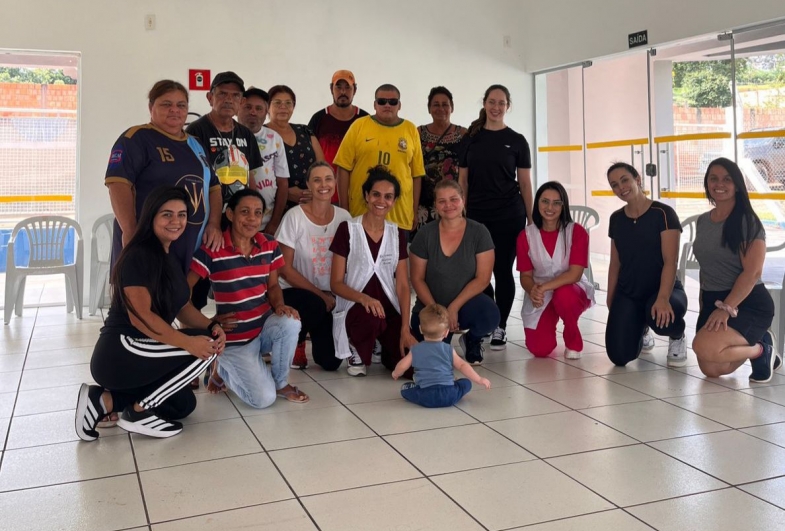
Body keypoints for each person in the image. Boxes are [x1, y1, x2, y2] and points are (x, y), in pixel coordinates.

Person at [76, 187, 225, 441]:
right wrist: (189, 342)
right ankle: (138, 413)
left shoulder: (168, 256)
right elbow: (140, 316)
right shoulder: (139, 255)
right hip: (121, 352)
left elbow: (182, 307)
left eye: (181, 214)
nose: (175, 221)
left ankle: (103, 401)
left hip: (145, 349)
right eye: (167, 215)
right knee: (204, 349)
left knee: (182, 405)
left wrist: (213, 325)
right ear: (151, 217)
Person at [188, 188, 308, 406]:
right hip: (234, 340)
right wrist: (209, 324)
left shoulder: (269, 244)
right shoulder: (214, 247)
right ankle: (221, 367)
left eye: (258, 213)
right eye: (245, 212)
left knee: (291, 322)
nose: (252, 219)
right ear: (230, 214)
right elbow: (185, 290)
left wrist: (280, 305)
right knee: (263, 399)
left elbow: (273, 286)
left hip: (262, 328)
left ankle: (280, 382)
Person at [105, 79, 222, 272]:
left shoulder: (196, 144)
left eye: (181, 105)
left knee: (184, 298)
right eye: (166, 104)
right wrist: (130, 232)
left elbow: (214, 187)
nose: (175, 110)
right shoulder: (136, 138)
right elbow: (118, 184)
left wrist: (214, 224)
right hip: (147, 243)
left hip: (192, 244)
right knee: (143, 298)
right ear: (151, 107)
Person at [692, 158, 780, 382]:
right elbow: (707, 267)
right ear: (707, 183)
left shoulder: (747, 221)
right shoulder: (703, 221)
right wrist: (705, 306)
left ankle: (761, 348)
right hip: (713, 299)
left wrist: (726, 308)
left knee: (702, 346)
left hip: (747, 302)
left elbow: (752, 273)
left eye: (727, 179)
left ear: (737, 185)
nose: (719, 184)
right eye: (713, 178)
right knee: (710, 368)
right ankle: (759, 347)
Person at [459, 84, 533, 350]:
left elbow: (525, 184)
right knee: (477, 273)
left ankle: (500, 326)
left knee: (502, 270)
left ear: (508, 106)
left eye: (501, 103)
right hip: (476, 216)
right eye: (492, 101)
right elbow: (463, 181)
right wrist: (461, 212)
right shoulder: (471, 138)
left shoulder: (517, 140)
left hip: (509, 215)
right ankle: (488, 316)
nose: (496, 107)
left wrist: (531, 219)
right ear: (485, 103)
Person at [185, 71, 263, 309]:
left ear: (241, 102)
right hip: (205, 222)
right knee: (197, 282)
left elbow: (251, 180)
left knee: (235, 283)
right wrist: (212, 223)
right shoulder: (196, 131)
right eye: (222, 94)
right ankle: (193, 334)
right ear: (210, 97)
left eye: (235, 95)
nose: (228, 99)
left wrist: (253, 216)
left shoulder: (246, 135)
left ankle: (237, 334)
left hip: (238, 221)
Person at [330, 166, 418, 376]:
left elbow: (403, 285)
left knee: (412, 365)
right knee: (372, 319)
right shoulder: (348, 229)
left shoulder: (396, 233)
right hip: (356, 307)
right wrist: (365, 299)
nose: (381, 201)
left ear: (394, 201)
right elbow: (335, 283)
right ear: (366, 196)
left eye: (388, 196)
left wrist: (405, 328)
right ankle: (357, 346)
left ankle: (381, 345)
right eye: (376, 194)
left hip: (388, 308)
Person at [605, 162, 688, 367]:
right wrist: (610, 299)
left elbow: (671, 262)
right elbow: (615, 264)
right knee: (619, 356)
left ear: (637, 179)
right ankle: (642, 327)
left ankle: (677, 336)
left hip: (665, 291)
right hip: (630, 292)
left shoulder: (663, 214)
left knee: (660, 318)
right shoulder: (616, 219)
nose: (621, 187)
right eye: (614, 184)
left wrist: (662, 298)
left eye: (625, 180)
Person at [409, 180, 498, 365]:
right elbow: (417, 279)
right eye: (441, 201)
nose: (448, 205)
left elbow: (483, 279)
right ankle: (443, 340)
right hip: (430, 306)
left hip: (466, 304)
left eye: (453, 199)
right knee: (428, 361)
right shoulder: (424, 234)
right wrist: (438, 312)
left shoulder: (479, 232)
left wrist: (454, 308)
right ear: (435, 205)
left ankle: (471, 340)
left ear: (463, 200)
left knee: (489, 315)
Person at [275, 161, 352, 370]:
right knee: (314, 304)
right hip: (296, 293)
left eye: (328, 179)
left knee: (331, 362)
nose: (323, 185)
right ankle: (296, 340)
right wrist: (320, 294)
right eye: (316, 180)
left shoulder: (344, 218)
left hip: (330, 295)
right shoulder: (294, 217)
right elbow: (284, 268)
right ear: (308, 185)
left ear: (335, 183)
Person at [517, 182, 595, 359]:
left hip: (571, 289)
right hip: (540, 292)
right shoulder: (526, 236)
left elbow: (574, 274)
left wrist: (542, 288)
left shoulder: (577, 231)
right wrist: (533, 291)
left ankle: (572, 336)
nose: (550, 207)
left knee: (564, 295)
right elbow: (526, 276)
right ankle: (549, 318)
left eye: (556, 203)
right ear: (537, 203)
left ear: (563, 205)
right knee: (540, 349)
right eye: (545, 201)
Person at [334, 83, 426, 234]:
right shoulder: (359, 126)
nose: (387, 105)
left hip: (399, 216)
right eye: (382, 101)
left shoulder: (410, 130)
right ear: (375, 104)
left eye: (393, 102)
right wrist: (344, 209)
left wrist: (413, 210)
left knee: (397, 258)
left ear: (399, 105)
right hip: (361, 213)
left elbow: (416, 175)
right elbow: (343, 167)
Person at [392, 304, 491, 408]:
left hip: (426, 395)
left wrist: (396, 373)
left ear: (421, 329)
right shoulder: (448, 349)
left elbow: (402, 366)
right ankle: (453, 382)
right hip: (449, 394)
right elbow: (463, 365)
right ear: (446, 332)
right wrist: (479, 379)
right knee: (467, 383)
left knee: (404, 388)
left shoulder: (416, 349)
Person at [307, 69, 369, 202]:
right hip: (325, 194)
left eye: (347, 87)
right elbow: (308, 156)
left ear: (355, 90)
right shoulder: (319, 119)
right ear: (331, 89)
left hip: (358, 196)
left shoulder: (365, 120)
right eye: (338, 87)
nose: (343, 92)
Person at [237, 87, 290, 235]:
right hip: (233, 221)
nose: (253, 112)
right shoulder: (227, 136)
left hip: (266, 223)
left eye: (259, 108)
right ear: (238, 107)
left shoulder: (275, 139)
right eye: (248, 107)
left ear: (266, 113)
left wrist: (274, 223)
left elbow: (283, 183)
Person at [415, 87, 467, 234]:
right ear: (429, 108)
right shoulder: (418, 133)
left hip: (453, 204)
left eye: (445, 104)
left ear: (452, 108)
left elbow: (468, 172)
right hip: (424, 204)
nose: (441, 108)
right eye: (436, 104)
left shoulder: (463, 134)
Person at [265, 85, 325, 209]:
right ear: (267, 107)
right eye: (277, 103)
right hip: (273, 207)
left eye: (288, 103)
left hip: (311, 204)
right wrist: (285, 192)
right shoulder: (261, 134)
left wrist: (315, 191)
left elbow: (322, 167)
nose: (283, 107)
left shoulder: (305, 130)